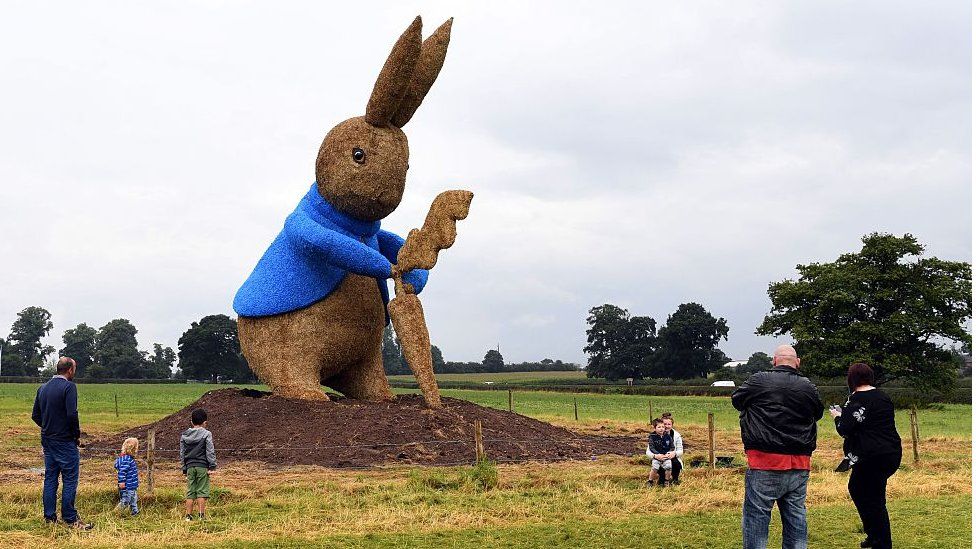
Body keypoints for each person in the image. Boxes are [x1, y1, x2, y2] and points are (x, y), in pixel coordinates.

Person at [731, 345, 823, 549]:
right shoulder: (808, 386)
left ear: (774, 361)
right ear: (797, 362)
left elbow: (737, 400)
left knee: (757, 517)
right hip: (799, 461)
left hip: (764, 459)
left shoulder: (758, 380)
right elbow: (818, 413)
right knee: (796, 517)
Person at [829, 363, 901, 549]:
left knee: (866, 496)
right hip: (890, 453)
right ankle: (874, 535)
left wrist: (837, 415)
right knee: (872, 495)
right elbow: (867, 421)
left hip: (870, 456)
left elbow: (844, 428)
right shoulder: (882, 396)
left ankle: (881, 541)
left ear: (851, 379)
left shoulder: (856, 400)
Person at [31, 357, 93, 529]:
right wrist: (76, 436)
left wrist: (49, 426)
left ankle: (50, 517)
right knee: (70, 479)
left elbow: (35, 415)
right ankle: (71, 518)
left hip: (48, 440)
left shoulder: (42, 388)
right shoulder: (69, 387)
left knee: (51, 478)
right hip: (65, 441)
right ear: (70, 370)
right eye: (75, 368)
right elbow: (72, 414)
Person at [180, 408, 217, 521]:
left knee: (191, 491)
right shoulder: (207, 434)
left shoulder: (184, 435)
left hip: (190, 466)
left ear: (191, 422)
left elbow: (182, 453)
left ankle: (188, 516)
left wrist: (184, 468)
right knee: (202, 491)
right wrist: (212, 466)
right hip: (202, 466)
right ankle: (201, 516)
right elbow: (210, 451)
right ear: (205, 422)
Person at [114, 437, 140, 516]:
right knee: (125, 500)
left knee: (133, 499)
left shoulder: (127, 458)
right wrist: (121, 482)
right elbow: (122, 471)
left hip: (132, 485)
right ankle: (116, 512)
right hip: (127, 486)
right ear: (133, 449)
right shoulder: (126, 459)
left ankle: (135, 512)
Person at [645, 418, 675, 487]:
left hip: (666, 456)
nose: (661, 429)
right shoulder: (652, 437)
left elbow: (672, 446)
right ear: (655, 428)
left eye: (663, 427)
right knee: (655, 468)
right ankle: (650, 481)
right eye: (659, 427)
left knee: (669, 467)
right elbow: (651, 447)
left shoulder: (668, 436)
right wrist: (657, 455)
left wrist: (669, 453)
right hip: (657, 456)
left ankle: (666, 481)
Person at [659, 413, 683, 485]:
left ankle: (675, 479)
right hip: (660, 457)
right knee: (659, 464)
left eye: (669, 424)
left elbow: (680, 450)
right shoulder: (654, 435)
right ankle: (662, 478)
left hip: (671, 456)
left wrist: (674, 454)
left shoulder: (677, 435)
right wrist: (656, 456)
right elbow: (648, 452)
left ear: (672, 425)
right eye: (664, 424)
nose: (666, 426)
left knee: (676, 463)